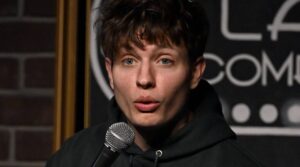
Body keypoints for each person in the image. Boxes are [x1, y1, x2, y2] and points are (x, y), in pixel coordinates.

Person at [47, 0, 263, 166]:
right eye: (129, 61)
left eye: (164, 61)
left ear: (195, 72)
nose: (145, 79)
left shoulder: (232, 162)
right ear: (110, 72)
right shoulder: (75, 156)